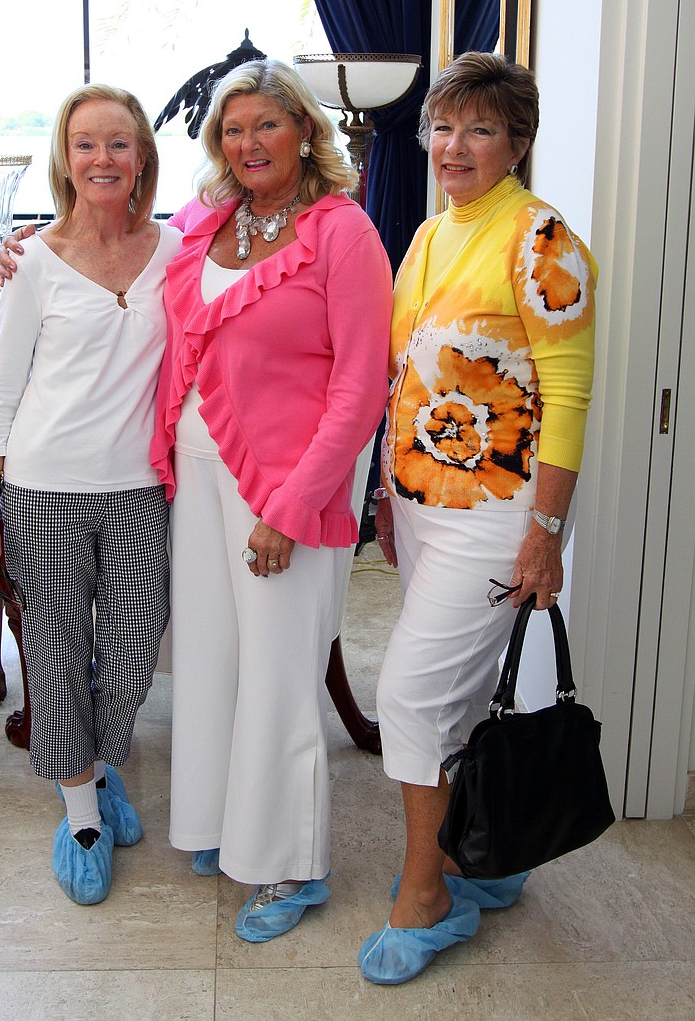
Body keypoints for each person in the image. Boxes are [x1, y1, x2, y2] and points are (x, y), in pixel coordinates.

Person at [358, 52, 597, 986]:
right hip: (423, 507)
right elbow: (402, 374)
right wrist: (388, 492)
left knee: (409, 698)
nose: (453, 146)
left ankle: (427, 891)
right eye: (443, 127)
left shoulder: (539, 239)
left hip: (501, 515)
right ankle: (475, 850)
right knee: (451, 698)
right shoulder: (429, 234)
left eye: (480, 129)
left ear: (519, 142)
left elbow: (570, 392)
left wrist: (547, 528)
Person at [151, 58, 393, 942]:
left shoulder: (343, 232)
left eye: (266, 125)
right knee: (212, 658)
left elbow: (362, 385)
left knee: (281, 676)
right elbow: (127, 256)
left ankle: (291, 862)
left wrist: (291, 506)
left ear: (304, 131)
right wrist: (30, 249)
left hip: (286, 489)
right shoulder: (207, 221)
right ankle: (222, 823)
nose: (247, 143)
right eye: (232, 128)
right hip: (198, 472)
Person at [0, 83, 182, 907]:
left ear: (142, 157)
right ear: (65, 157)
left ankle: (94, 762)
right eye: (85, 144)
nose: (102, 158)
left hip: (138, 489)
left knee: (130, 654)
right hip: (42, 487)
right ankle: (82, 807)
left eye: (118, 143)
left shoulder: (177, 249)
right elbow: (2, 396)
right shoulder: (34, 263)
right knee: (55, 650)